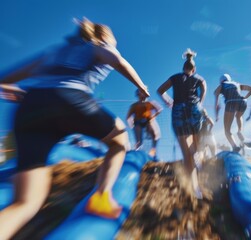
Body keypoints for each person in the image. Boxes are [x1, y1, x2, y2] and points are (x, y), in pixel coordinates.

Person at [0, 18, 150, 238]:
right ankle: (102, 195)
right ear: (103, 37)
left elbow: (4, 79)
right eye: (113, 42)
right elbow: (118, 61)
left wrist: (19, 93)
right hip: (69, 99)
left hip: (30, 108)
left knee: (26, 201)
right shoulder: (97, 46)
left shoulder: (52, 52)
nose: (114, 46)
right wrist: (141, 86)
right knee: (120, 140)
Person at [157, 48, 206, 199]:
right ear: (194, 69)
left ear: (183, 68)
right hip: (194, 108)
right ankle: (198, 155)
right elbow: (203, 90)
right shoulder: (199, 78)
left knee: (186, 153)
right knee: (197, 144)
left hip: (178, 109)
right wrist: (200, 103)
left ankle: (195, 189)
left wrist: (167, 100)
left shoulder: (175, 77)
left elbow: (160, 90)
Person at [214, 73, 251, 152]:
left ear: (221, 81)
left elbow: (217, 105)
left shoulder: (221, 86)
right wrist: (245, 97)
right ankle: (240, 131)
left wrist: (216, 116)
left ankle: (235, 146)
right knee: (238, 116)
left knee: (227, 130)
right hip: (242, 102)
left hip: (231, 103)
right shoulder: (237, 84)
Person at [126, 89, 162, 158]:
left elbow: (159, 109)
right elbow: (128, 117)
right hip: (137, 122)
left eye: (145, 92)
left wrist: (153, 117)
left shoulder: (150, 103)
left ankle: (153, 151)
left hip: (148, 121)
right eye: (141, 92)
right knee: (139, 141)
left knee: (155, 134)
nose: (143, 94)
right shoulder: (134, 106)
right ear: (138, 94)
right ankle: (137, 154)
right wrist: (131, 125)